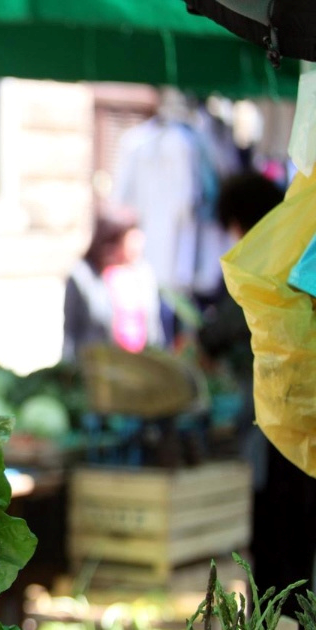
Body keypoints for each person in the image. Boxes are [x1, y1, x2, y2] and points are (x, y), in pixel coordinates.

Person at [197, 171, 316, 615]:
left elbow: (232, 320)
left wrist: (206, 341)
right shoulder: (300, 236)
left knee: (282, 532)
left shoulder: (277, 250)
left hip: (291, 425)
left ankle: (279, 614)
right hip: (295, 421)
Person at [62, 207, 166, 361]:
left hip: (141, 367)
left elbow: (154, 328)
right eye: (131, 238)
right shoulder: (84, 277)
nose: (139, 242)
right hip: (100, 368)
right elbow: (70, 335)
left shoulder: (143, 274)